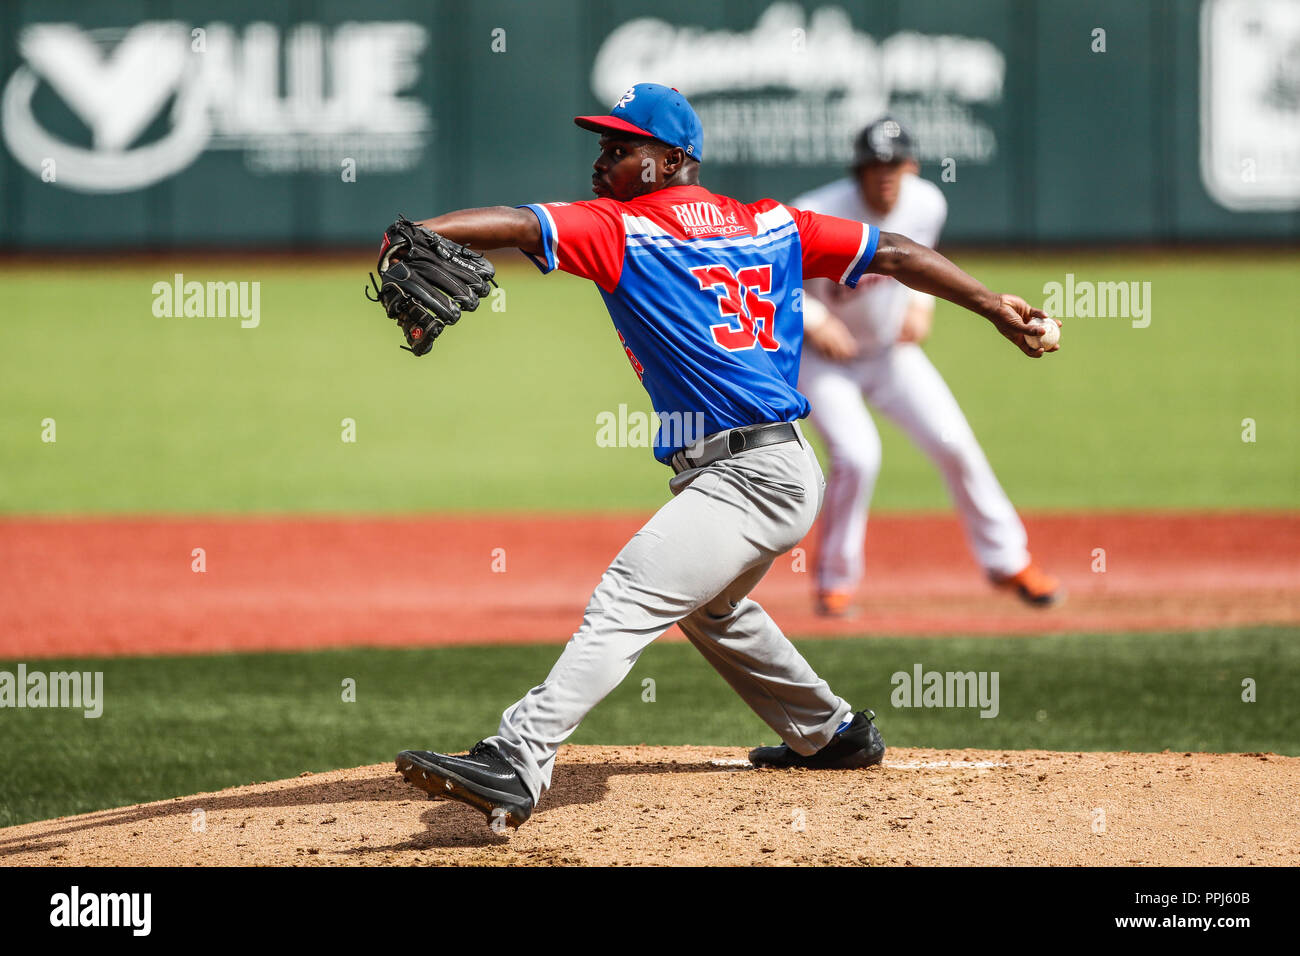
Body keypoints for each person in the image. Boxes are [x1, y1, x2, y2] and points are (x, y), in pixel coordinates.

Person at [393, 85, 1055, 829]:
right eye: (603, 146)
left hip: (749, 477)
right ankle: (829, 733)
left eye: (621, 148)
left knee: (632, 592)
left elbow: (516, 223)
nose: (603, 160)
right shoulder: (771, 223)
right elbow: (894, 252)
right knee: (711, 608)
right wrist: (993, 303)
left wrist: (419, 231)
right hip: (777, 469)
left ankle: (517, 757)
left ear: (672, 160)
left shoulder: (620, 228)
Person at [796, 117, 1064, 618]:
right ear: (856, 172)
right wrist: (812, 318)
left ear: (911, 165)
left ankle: (1009, 561)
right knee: (858, 456)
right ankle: (835, 582)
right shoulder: (818, 211)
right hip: (821, 361)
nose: (884, 175)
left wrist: (923, 307)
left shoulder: (926, 203)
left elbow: (923, 262)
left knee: (954, 442)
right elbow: (762, 278)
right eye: (873, 166)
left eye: (893, 164)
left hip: (890, 354)